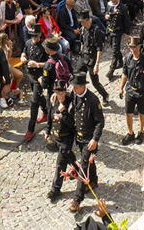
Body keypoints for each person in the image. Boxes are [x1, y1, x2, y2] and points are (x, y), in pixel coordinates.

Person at [48, 72, 104, 214]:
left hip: (89, 139)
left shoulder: (92, 99)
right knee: (88, 162)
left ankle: (77, 199)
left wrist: (95, 139)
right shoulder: (73, 95)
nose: (72, 89)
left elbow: (100, 122)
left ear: (81, 86)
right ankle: (94, 180)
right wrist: (56, 96)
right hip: (78, 137)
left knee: (83, 166)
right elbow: (64, 96)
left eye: (75, 86)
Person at [118, 35, 144, 144]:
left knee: (142, 112)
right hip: (130, 90)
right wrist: (121, 88)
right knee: (128, 113)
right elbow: (124, 74)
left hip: (142, 91)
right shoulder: (127, 58)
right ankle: (130, 133)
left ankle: (141, 132)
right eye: (131, 47)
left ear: (139, 46)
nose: (133, 49)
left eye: (134, 47)